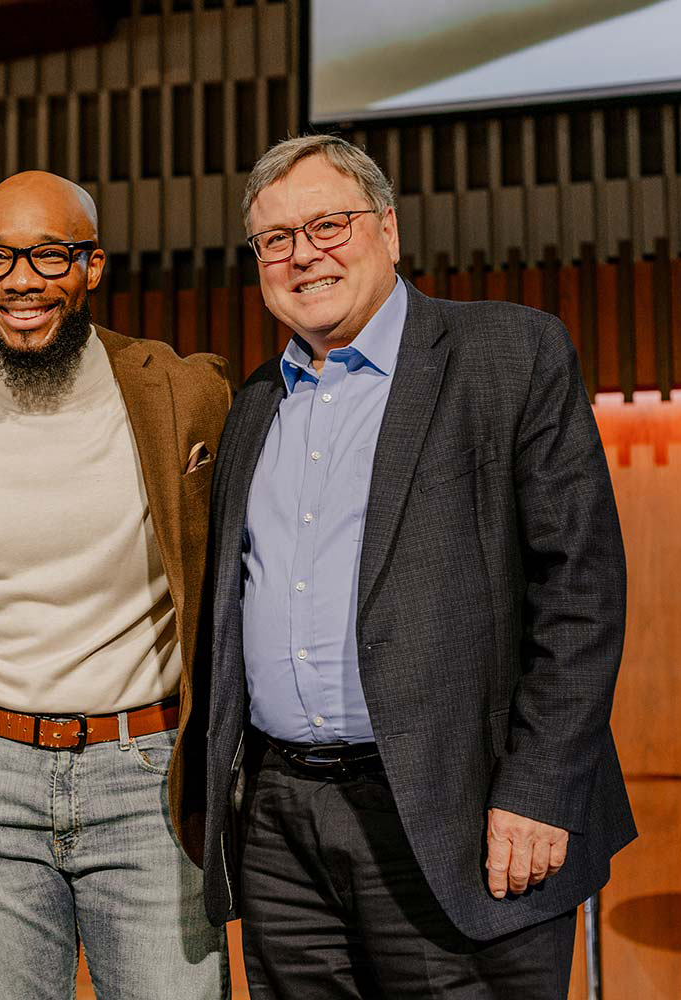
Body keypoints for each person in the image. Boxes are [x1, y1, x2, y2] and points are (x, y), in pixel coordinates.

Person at [192, 134, 635, 998]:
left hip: (461, 815)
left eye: (327, 224)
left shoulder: (509, 356)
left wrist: (541, 790)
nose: (303, 254)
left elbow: (580, 592)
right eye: (274, 239)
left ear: (388, 230)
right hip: (283, 828)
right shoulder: (252, 406)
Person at [0, 171, 231, 1000]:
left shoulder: (185, 397)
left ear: (93, 265)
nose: (20, 280)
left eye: (47, 254)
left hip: (147, 771)